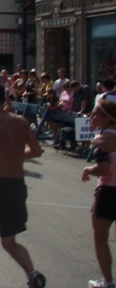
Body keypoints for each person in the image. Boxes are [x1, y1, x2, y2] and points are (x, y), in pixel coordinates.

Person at [0, 82, 46, 288]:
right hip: (16, 184)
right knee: (9, 241)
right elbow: (37, 150)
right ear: (5, 100)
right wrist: (14, 156)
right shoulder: (21, 122)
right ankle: (32, 273)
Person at [82, 99, 116, 288]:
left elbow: (103, 168)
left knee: (101, 236)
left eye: (95, 113)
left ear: (105, 117)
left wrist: (88, 169)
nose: (91, 116)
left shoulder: (101, 140)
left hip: (109, 192)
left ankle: (108, 282)